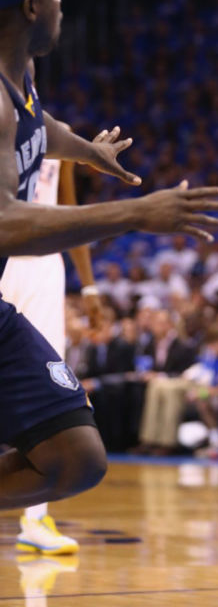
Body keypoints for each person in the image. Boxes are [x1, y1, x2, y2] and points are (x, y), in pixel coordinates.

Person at [0, 0, 218, 517]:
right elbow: (3, 223)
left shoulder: (20, 73)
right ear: (31, 7)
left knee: (76, 457)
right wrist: (135, 214)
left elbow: (38, 124)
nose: (62, 5)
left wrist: (86, 153)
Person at [1, 156, 102, 553]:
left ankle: (36, 518)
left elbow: (70, 214)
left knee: (48, 382)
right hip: (5, 253)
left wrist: (89, 287)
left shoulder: (55, 134)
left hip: (44, 263)